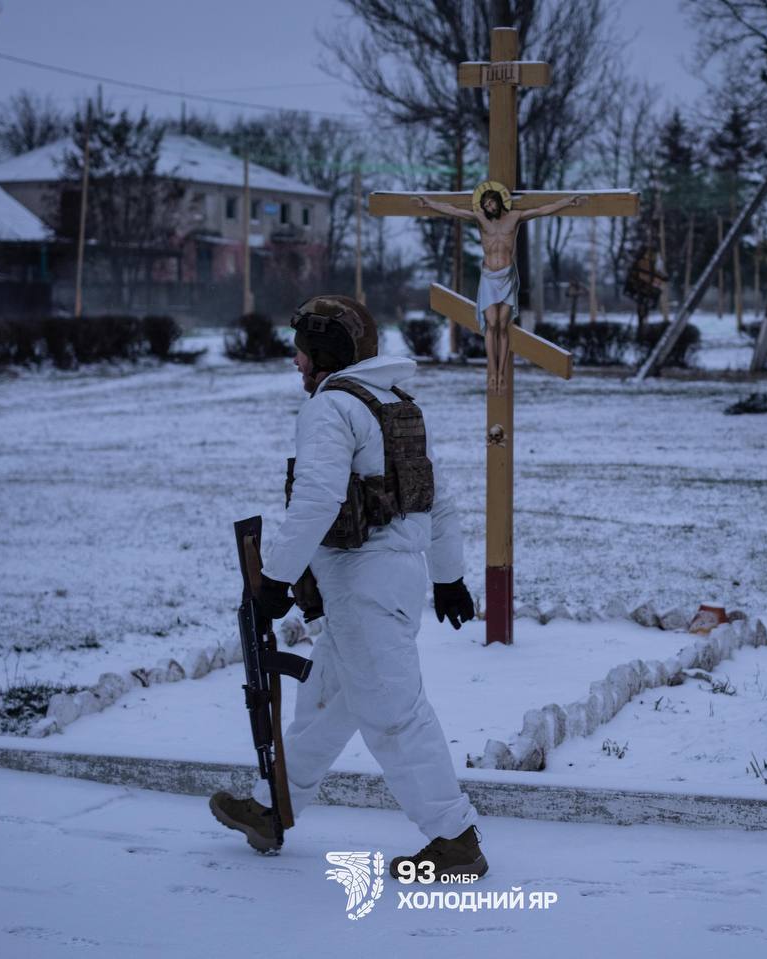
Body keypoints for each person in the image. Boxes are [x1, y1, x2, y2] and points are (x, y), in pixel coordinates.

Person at [209, 294, 486, 881]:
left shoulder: (331, 407)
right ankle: (271, 808)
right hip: (389, 582)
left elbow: (317, 499)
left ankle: (454, 839)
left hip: (362, 585)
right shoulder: (396, 404)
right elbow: (438, 501)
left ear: (325, 352)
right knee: (327, 704)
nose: (296, 362)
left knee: (394, 715)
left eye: (302, 351)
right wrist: (448, 578)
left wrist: (274, 580)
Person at [414, 183, 586, 395]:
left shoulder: (515, 217)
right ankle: (492, 372)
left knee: (503, 326)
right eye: (486, 205)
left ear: (498, 201)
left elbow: (541, 210)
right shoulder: (481, 219)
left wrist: (566, 202)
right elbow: (454, 211)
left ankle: (501, 372)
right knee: (491, 324)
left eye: (491, 203)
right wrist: (429, 203)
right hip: (488, 277)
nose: (489, 207)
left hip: (507, 277)